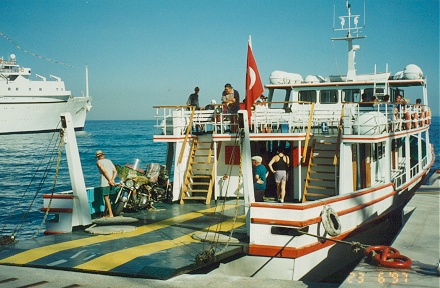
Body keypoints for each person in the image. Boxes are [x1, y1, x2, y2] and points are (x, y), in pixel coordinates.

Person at [95, 150, 117, 218]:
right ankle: (105, 212)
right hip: (111, 182)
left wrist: (109, 180)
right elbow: (115, 171)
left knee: (106, 198)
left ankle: (110, 214)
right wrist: (112, 180)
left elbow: (104, 171)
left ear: (98, 157)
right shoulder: (109, 161)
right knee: (109, 198)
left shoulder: (98, 162)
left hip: (105, 182)